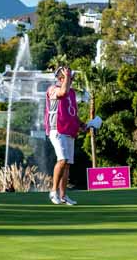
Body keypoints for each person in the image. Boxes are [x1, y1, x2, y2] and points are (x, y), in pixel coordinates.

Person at [45, 66, 86, 206]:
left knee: (67, 164)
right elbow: (62, 92)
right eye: (69, 77)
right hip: (57, 129)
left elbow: (72, 113)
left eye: (72, 77)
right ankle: (53, 192)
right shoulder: (53, 89)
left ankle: (63, 195)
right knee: (62, 160)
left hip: (69, 131)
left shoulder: (72, 93)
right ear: (61, 78)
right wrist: (66, 76)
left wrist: (82, 124)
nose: (72, 79)